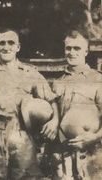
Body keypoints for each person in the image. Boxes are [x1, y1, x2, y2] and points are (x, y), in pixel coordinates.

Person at [0, 28, 59, 180]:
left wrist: (55, 121)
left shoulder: (30, 73)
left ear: (18, 47)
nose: (6, 47)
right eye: (2, 43)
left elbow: (51, 100)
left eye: (11, 43)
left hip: (22, 136)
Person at [49, 30, 102, 180]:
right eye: (68, 48)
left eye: (77, 48)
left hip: (91, 153)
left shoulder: (97, 79)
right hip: (62, 155)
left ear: (86, 51)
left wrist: (94, 137)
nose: (72, 52)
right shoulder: (57, 83)